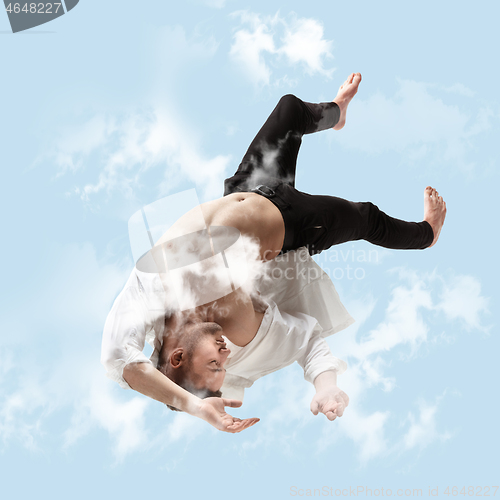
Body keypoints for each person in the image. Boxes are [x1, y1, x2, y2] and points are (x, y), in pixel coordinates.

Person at [101, 73, 447, 434]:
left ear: (176, 358)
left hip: (247, 188)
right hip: (293, 221)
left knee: (290, 109)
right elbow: (305, 339)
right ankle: (427, 234)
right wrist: (326, 386)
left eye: (214, 366)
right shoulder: (239, 326)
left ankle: (337, 113)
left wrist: (193, 406)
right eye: (223, 367)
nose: (225, 357)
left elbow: (119, 361)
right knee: (366, 217)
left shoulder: (145, 300)